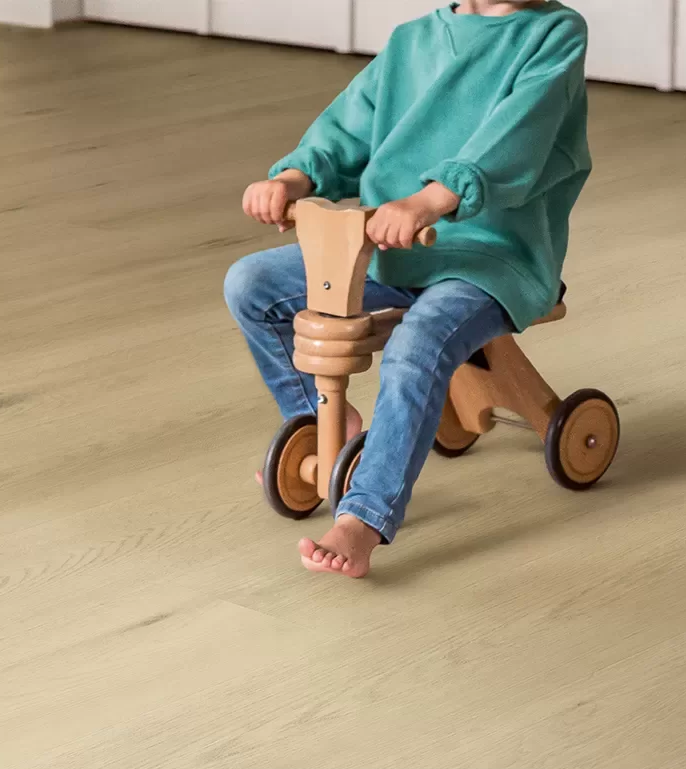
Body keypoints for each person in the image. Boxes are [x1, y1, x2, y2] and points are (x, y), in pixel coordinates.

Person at [225, 0, 591, 578]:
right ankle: (323, 421)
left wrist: (429, 201)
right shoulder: (412, 41)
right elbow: (349, 125)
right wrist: (295, 177)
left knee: (419, 341)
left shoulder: (554, 34)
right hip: (389, 249)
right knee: (252, 284)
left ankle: (364, 515)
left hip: (492, 256)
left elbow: (518, 137)